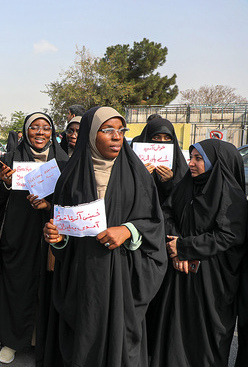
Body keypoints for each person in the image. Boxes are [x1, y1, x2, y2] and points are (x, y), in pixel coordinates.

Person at [40, 106, 167, 366]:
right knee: (83, 341)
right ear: (90, 134)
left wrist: (127, 230)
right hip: (83, 278)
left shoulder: (138, 175)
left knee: (120, 345)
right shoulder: (69, 179)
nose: (117, 137)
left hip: (123, 278)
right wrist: (57, 238)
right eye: (107, 130)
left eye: (121, 131)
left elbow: (154, 223)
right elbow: (64, 233)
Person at [148, 139, 247, 367]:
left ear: (215, 162)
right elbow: (166, 213)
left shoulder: (230, 196)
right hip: (179, 276)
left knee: (205, 338)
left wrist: (186, 248)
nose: (191, 164)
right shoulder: (186, 185)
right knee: (174, 330)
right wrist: (176, 247)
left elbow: (229, 235)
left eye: (198, 159)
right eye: (190, 158)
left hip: (213, 281)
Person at [0, 112, 68, 364]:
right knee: (17, 286)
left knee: (46, 288)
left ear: (52, 132)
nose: (40, 133)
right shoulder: (12, 160)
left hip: (50, 235)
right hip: (19, 236)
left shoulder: (64, 161)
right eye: (34, 128)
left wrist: (49, 205)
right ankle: (12, 341)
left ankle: (41, 341)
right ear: (26, 131)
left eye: (45, 128)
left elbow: (71, 199)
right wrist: (4, 183)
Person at [131, 118, 189, 205]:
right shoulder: (132, 163)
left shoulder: (179, 166)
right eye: (156, 137)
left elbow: (182, 197)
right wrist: (140, 176)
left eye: (167, 138)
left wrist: (169, 182)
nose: (162, 142)